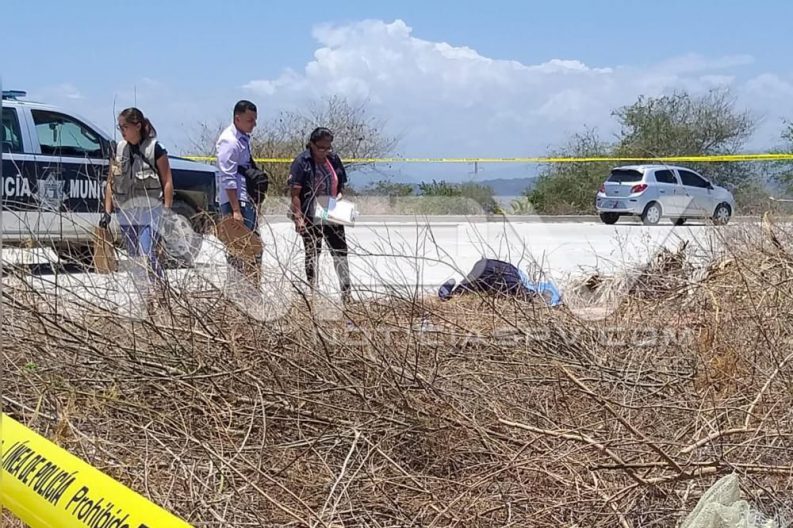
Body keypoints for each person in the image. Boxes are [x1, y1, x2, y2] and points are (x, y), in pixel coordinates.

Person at [100, 107, 174, 309]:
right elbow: (111, 182)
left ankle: (160, 295)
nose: (122, 131)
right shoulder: (119, 149)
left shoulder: (155, 149)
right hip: (127, 215)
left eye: (125, 127)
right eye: (120, 127)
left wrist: (167, 211)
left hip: (151, 212)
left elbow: (167, 181)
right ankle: (144, 300)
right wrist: (107, 212)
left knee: (148, 255)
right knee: (134, 259)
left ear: (138, 126)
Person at [288, 127, 351, 305]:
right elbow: (295, 193)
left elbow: (341, 185)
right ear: (312, 145)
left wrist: (339, 197)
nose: (325, 151)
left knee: (340, 253)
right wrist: (298, 218)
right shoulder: (302, 162)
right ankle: (313, 292)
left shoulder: (334, 159)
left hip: (332, 209)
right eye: (321, 148)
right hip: (310, 211)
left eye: (328, 147)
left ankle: (346, 294)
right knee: (312, 253)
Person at [215, 100, 263, 280]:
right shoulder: (230, 141)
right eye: (250, 120)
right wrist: (235, 210)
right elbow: (228, 178)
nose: (254, 124)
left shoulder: (243, 139)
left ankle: (250, 287)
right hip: (237, 203)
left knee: (251, 247)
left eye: (255, 120)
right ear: (238, 118)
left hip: (246, 199)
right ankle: (237, 290)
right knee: (238, 248)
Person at [437, 257, 562, 306]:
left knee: (459, 293)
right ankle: (448, 294)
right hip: (504, 271)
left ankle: (448, 294)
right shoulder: (545, 287)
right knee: (522, 292)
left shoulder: (542, 286)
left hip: (487, 266)